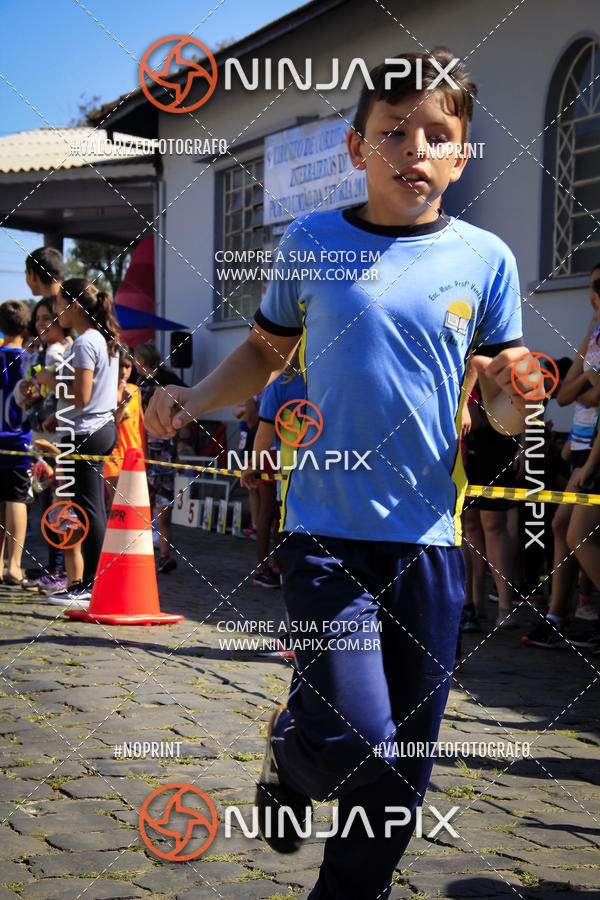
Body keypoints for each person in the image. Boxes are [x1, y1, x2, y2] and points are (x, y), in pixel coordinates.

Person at [145, 50, 541, 900]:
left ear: (461, 157)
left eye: (438, 135)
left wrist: (512, 398)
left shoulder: (487, 259)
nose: (415, 149)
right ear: (358, 148)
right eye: (394, 131)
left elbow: (504, 410)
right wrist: (192, 398)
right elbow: (266, 350)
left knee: (401, 767)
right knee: (355, 733)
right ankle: (293, 752)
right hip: (326, 536)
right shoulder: (313, 240)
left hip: (429, 543)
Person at [522, 266, 600, 648]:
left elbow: (588, 395)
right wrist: (587, 377)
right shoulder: (593, 334)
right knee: (561, 527)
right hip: (582, 448)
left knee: (577, 534)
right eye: (592, 285)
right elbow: (566, 395)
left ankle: (565, 615)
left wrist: (584, 383)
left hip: (593, 453)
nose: (593, 293)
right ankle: (555, 618)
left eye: (597, 286)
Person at [42, 279, 119, 607]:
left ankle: (91, 584)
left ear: (74, 305)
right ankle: (89, 582)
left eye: (60, 304)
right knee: (90, 506)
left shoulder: (86, 341)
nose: (57, 311)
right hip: (98, 428)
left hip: (87, 433)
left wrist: (50, 382)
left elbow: (82, 395)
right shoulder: (101, 338)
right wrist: (60, 415)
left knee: (88, 508)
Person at [13, 297, 74, 593]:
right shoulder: (37, 355)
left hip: (61, 440)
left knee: (62, 504)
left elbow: (74, 395)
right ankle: (53, 566)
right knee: (47, 505)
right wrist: (24, 391)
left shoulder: (68, 351)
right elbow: (26, 396)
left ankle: (65, 570)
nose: (41, 324)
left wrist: (51, 395)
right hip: (39, 438)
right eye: (38, 319)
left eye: (47, 318)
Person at [241, 351, 305, 588]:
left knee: (270, 513)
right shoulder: (322, 378)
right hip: (320, 467)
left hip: (281, 460)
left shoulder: (278, 382)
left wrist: (253, 464)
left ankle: (267, 569)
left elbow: (259, 426)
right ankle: (278, 568)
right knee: (276, 515)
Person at [133, 343, 186, 574]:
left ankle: (164, 555)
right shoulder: (137, 382)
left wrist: (180, 444)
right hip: (141, 454)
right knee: (140, 508)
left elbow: (187, 400)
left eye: (135, 359)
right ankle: (140, 556)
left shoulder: (167, 379)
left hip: (163, 454)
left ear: (142, 360)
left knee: (164, 510)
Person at [0, 301, 32, 587]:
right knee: (16, 499)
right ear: (25, 327)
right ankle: (14, 565)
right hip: (19, 440)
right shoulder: (29, 361)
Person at [103, 346, 146, 503]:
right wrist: (123, 403)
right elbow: (109, 424)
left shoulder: (135, 390)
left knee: (132, 504)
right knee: (117, 504)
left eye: (127, 366)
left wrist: (144, 454)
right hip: (113, 456)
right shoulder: (105, 391)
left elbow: (141, 425)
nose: (123, 371)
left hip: (133, 454)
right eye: (119, 365)